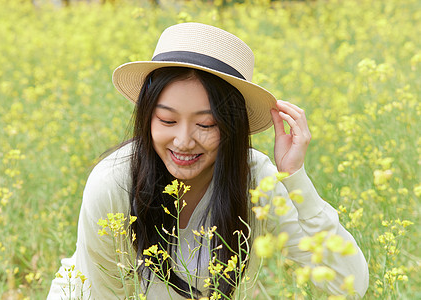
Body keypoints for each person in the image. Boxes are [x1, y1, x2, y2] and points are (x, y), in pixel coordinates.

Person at [47, 23, 369, 299]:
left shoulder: (256, 181)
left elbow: (348, 285)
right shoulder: (114, 183)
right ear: (147, 118)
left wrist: (294, 177)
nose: (184, 141)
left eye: (206, 125)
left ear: (233, 126)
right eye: (167, 121)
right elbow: (106, 294)